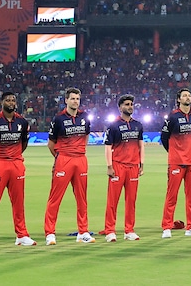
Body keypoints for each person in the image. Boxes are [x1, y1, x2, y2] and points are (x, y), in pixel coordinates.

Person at [0, 91, 34, 248]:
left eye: (13, 100)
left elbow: (24, 142)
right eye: (8, 100)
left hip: (16, 164)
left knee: (19, 202)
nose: (11, 102)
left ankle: (22, 235)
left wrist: (15, 156)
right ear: (2, 103)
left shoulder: (22, 122)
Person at [44, 87, 94, 244]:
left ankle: (83, 232)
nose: (75, 101)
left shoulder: (85, 117)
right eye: (72, 98)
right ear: (66, 100)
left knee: (82, 198)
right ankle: (50, 233)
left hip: (81, 159)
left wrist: (79, 151)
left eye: (77, 99)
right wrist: (60, 157)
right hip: (64, 159)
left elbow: (86, 136)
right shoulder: (58, 119)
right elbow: (51, 144)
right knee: (55, 198)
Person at [160, 88, 191, 237]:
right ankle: (167, 227)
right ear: (179, 99)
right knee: (172, 196)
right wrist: (174, 152)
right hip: (176, 162)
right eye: (185, 95)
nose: (188, 97)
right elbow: (164, 137)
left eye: (189, 95)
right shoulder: (172, 117)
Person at [103, 94, 144, 242]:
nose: (130, 106)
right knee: (112, 201)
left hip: (133, 166)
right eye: (127, 104)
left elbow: (141, 145)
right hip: (118, 166)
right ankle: (110, 231)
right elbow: (108, 147)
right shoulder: (113, 126)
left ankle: (129, 230)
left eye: (131, 104)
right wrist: (109, 166)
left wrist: (141, 164)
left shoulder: (138, 125)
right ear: (120, 108)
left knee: (131, 201)